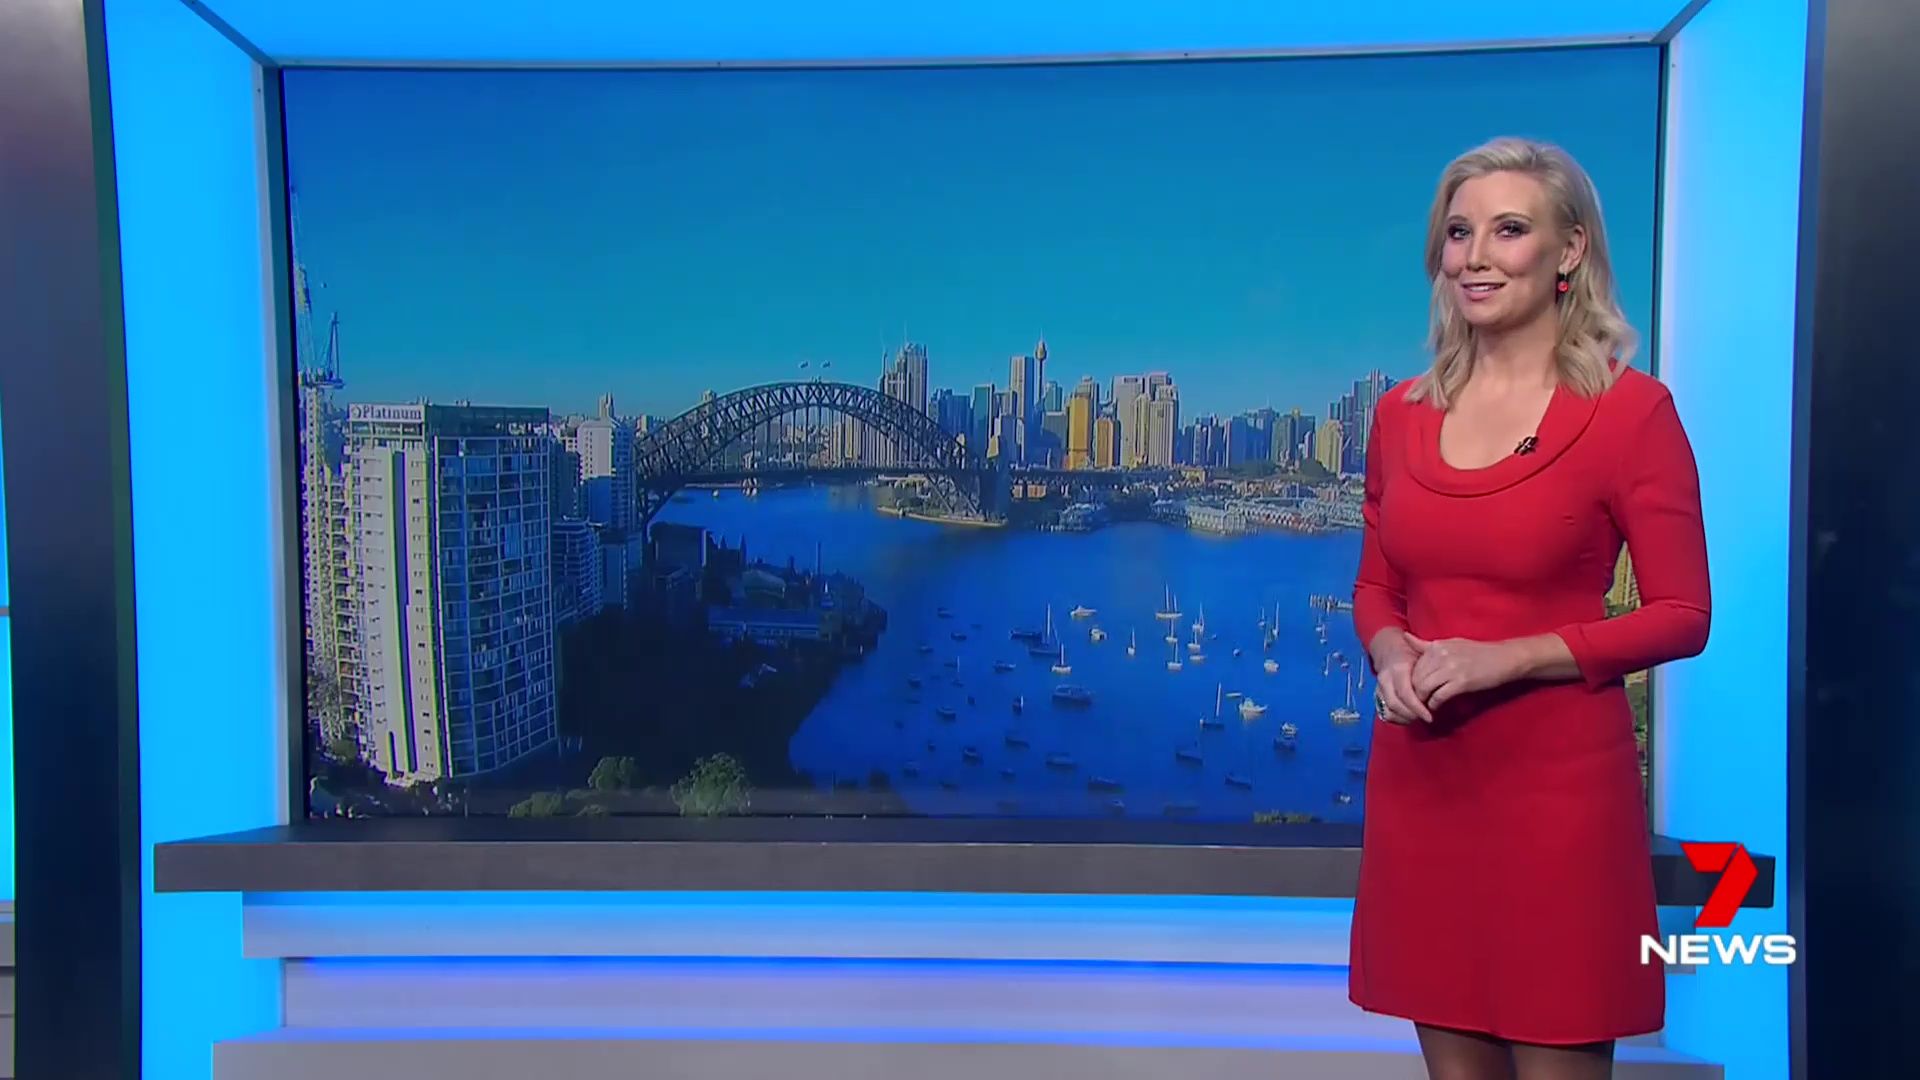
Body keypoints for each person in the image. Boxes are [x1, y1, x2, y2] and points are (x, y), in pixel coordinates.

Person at [1348, 136, 1711, 1080]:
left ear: (1569, 251)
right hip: (1424, 786)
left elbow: (1683, 613)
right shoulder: (1399, 415)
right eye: (1458, 232)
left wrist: (1507, 657)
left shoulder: (1632, 415)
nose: (1475, 256)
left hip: (1558, 801)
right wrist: (1389, 652)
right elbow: (1377, 587)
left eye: (1508, 230)